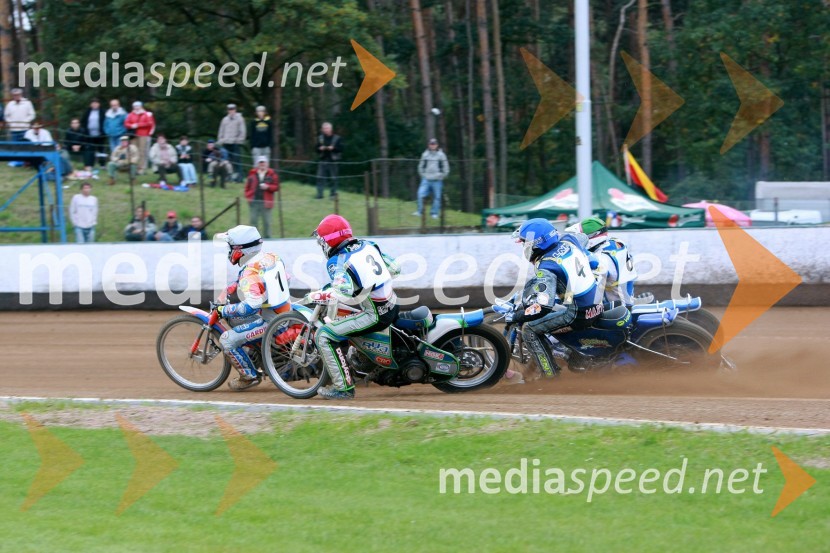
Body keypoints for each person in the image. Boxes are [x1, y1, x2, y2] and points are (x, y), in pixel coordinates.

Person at [309, 214, 400, 400]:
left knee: (324, 335)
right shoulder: (368, 244)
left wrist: (317, 295)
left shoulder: (337, 261)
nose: (321, 246)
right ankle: (364, 360)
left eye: (321, 242)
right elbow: (395, 268)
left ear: (329, 241)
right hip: (392, 304)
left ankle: (343, 389)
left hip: (374, 314)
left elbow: (344, 292)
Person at [505, 218, 603, 378]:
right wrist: (586, 256)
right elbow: (584, 238)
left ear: (536, 244)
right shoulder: (570, 239)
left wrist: (517, 316)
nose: (524, 247)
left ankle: (550, 376)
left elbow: (544, 306)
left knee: (529, 329)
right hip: (596, 302)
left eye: (525, 243)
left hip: (579, 313)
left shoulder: (547, 267)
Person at [215, 225, 291, 390]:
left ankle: (249, 376)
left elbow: (251, 306)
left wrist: (224, 310)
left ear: (239, 250)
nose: (228, 251)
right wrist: (234, 286)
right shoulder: (271, 257)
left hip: (272, 322)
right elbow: (284, 278)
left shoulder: (248, 272)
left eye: (230, 247)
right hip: (287, 312)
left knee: (227, 340)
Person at [567, 216, 638, 307]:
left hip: (616, 307)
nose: (577, 240)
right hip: (626, 297)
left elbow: (591, 289)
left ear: (592, 237)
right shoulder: (617, 243)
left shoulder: (602, 258)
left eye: (580, 237)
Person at [413, 138, 449, 219]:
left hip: (437, 180)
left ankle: (434, 213)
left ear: (437, 145)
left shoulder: (441, 155)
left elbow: (446, 167)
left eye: (434, 144)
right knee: (420, 194)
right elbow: (420, 166)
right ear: (429, 145)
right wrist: (423, 175)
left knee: (437, 197)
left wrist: (442, 176)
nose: (433, 145)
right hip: (426, 179)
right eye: (431, 144)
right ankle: (420, 211)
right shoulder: (425, 154)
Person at [244, 156, 279, 239]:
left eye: (263, 162)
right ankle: (254, 240)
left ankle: (268, 239)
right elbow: (247, 187)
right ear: (257, 164)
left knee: (267, 222)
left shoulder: (272, 174)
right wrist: (249, 197)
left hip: (266, 202)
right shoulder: (252, 174)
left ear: (267, 164)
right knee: (253, 222)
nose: (262, 164)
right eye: (260, 162)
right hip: (254, 202)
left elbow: (276, 187)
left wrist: (268, 187)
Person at [124, 101, 155, 174]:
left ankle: (141, 168)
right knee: (134, 151)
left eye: (138, 106)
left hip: (143, 135)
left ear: (141, 106)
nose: (136, 107)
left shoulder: (147, 114)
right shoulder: (131, 114)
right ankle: (133, 168)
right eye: (135, 106)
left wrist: (138, 125)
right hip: (133, 135)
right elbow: (126, 123)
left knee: (142, 151)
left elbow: (150, 123)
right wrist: (131, 125)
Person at [217, 103, 246, 182]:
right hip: (226, 143)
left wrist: (239, 140)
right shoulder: (224, 119)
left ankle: (239, 178)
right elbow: (221, 131)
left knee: (237, 161)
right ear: (228, 110)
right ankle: (228, 177)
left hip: (235, 143)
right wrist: (220, 140)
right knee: (226, 161)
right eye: (229, 110)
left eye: (232, 109)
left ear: (235, 110)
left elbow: (242, 131)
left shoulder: (240, 119)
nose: (231, 111)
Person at [315, 122, 343, 199]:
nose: (325, 130)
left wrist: (333, 148)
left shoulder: (337, 138)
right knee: (320, 177)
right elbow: (316, 149)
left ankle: (333, 195)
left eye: (327, 128)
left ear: (331, 129)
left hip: (333, 161)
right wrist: (319, 149)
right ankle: (319, 195)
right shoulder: (320, 138)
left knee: (334, 178)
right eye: (324, 128)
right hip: (323, 160)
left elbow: (341, 149)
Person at [81, 99, 107, 170]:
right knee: (91, 150)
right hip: (90, 135)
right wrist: (85, 131)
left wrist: (104, 131)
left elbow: (106, 122)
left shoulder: (103, 112)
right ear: (90, 104)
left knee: (101, 150)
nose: (94, 104)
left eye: (96, 103)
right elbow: (83, 122)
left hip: (100, 134)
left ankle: (103, 165)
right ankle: (90, 165)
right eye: (93, 103)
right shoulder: (87, 112)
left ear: (99, 104)